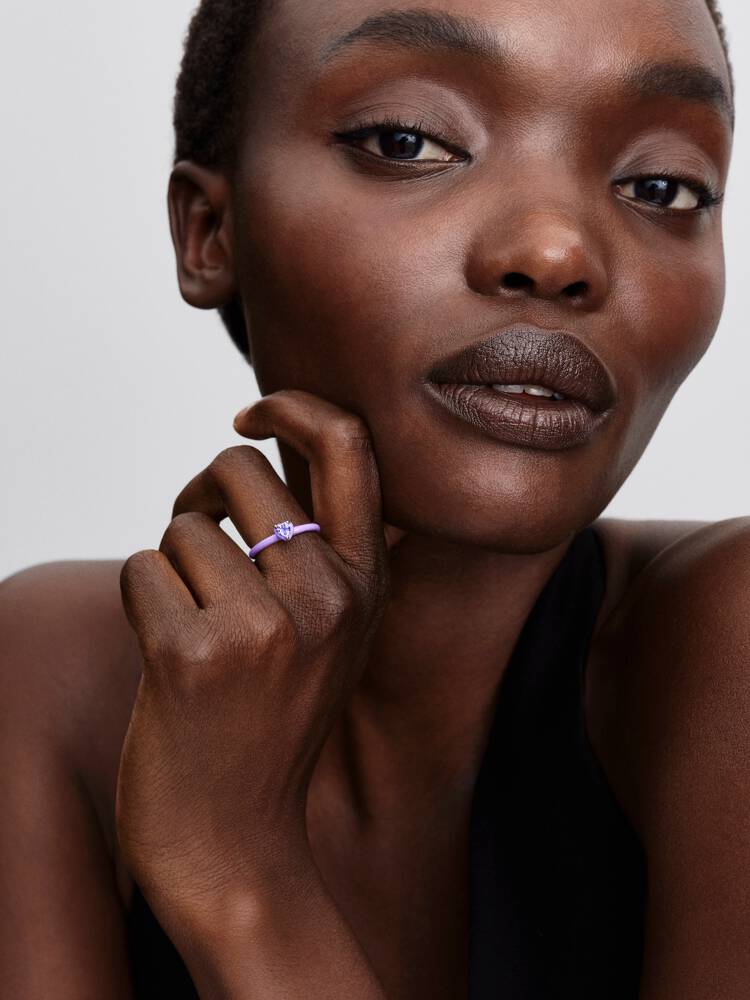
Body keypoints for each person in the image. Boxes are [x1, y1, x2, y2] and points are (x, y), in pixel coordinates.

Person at [0, 0, 745, 997]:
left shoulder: (727, 648)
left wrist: (241, 877)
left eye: (660, 185)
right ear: (211, 231)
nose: (558, 251)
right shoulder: (53, 682)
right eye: (411, 142)